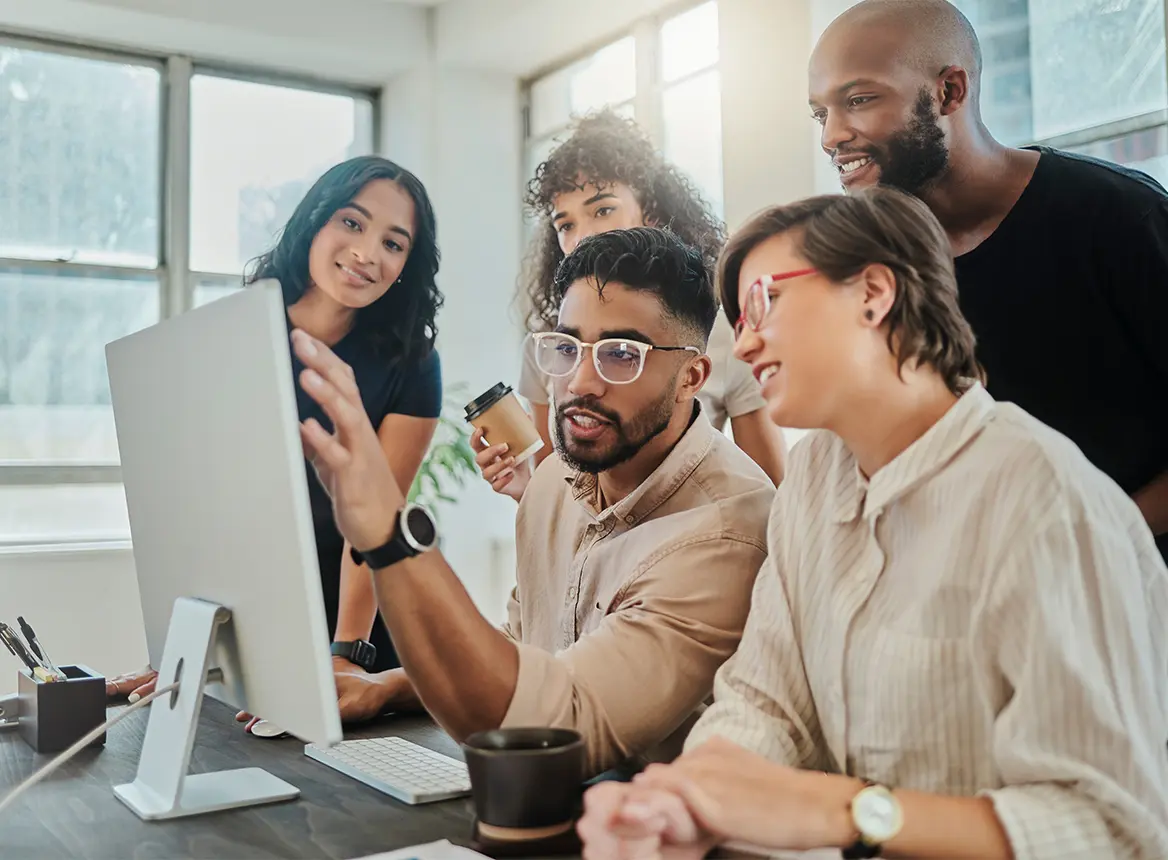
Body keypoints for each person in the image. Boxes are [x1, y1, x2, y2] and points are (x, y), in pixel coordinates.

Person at [576, 189, 1168, 859]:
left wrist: (850, 812)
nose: (743, 343)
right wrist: (679, 805)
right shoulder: (812, 480)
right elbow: (766, 702)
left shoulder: (1046, 502)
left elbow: (1114, 828)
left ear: (874, 293)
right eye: (737, 319)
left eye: (763, 303)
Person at [288, 227, 774, 776]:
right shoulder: (553, 482)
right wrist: (385, 687)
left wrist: (388, 533)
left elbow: (556, 727)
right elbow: (528, 651)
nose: (580, 382)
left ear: (692, 377)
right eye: (566, 348)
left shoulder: (728, 532)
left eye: (620, 354)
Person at [807, 0, 1168, 561]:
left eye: (858, 100)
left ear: (950, 91)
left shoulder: (1120, 217)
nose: (831, 136)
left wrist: (1089, 541)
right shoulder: (874, 276)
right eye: (819, 114)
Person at [106, 156, 444, 722]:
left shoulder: (412, 362)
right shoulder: (232, 334)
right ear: (314, 221)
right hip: (250, 616)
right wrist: (178, 646)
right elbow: (200, 511)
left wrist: (348, 652)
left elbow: (376, 520)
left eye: (394, 243)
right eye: (353, 223)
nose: (366, 253)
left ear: (408, 265)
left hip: (358, 625)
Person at [500, 109, 786, 494]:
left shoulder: (724, 333)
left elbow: (771, 493)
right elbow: (556, 497)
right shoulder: (548, 344)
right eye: (565, 224)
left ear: (651, 212)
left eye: (603, 210)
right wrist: (522, 489)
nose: (582, 236)